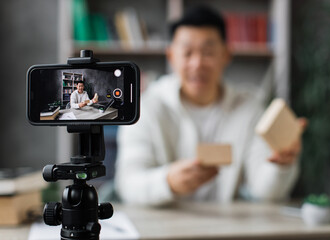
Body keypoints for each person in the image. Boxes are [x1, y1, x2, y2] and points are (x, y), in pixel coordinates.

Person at [114, 5, 307, 206]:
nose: (197, 63)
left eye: (208, 52)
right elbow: (127, 183)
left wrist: (282, 164)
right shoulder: (146, 107)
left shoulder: (250, 108)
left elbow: (265, 191)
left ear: (226, 55)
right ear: (171, 56)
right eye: (187, 53)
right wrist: (168, 181)